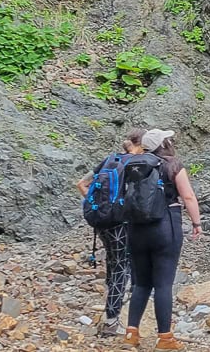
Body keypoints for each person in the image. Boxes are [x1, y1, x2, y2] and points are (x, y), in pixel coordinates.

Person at [124, 129, 203, 350]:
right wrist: (196, 223)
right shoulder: (172, 164)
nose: (170, 141)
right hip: (165, 226)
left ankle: (131, 333)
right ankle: (165, 338)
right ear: (163, 143)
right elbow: (187, 196)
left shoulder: (131, 164)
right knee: (163, 284)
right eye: (168, 138)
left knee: (140, 283)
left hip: (136, 228)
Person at [76, 128, 145, 336]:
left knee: (113, 264)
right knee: (121, 269)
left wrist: (99, 208)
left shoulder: (109, 160)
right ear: (139, 145)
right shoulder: (133, 164)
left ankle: (110, 313)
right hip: (120, 223)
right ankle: (112, 320)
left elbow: (81, 184)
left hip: (101, 222)